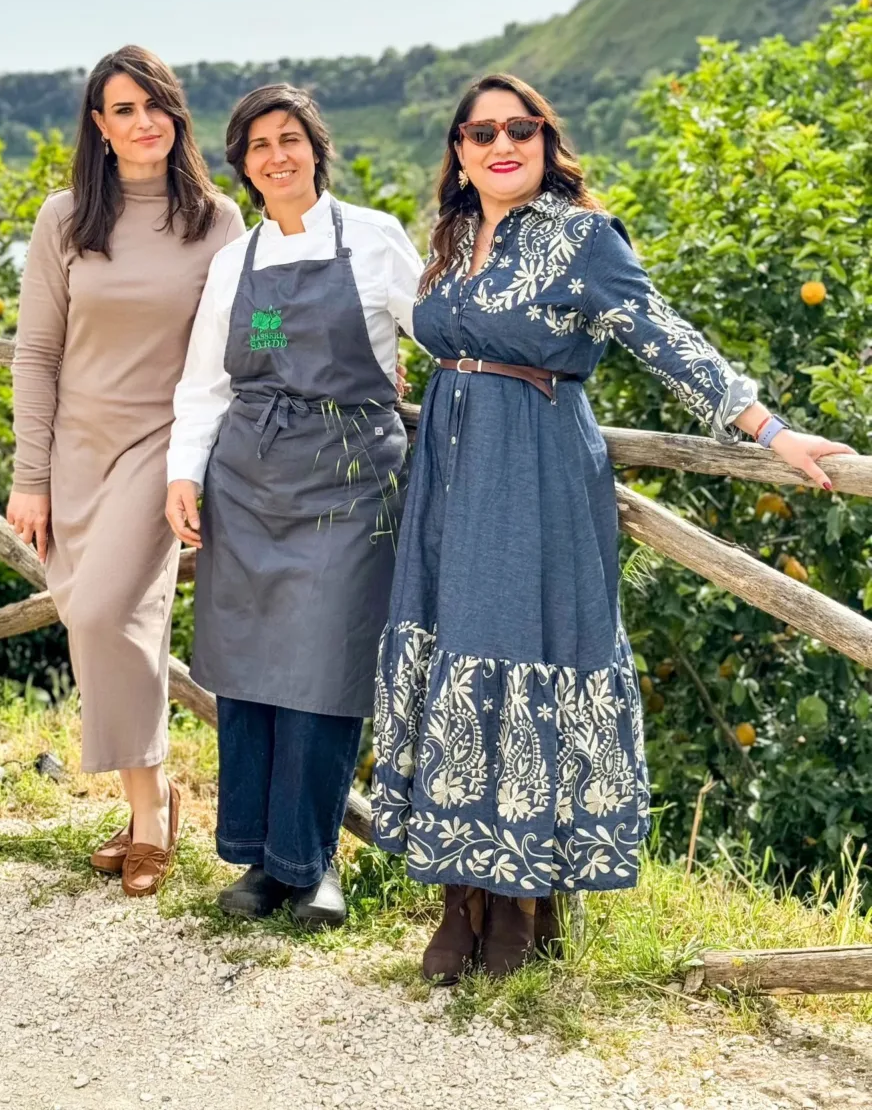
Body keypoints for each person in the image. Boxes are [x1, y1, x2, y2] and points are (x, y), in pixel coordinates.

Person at [371, 72, 855, 981]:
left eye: (519, 129)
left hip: (536, 466)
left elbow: (664, 336)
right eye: (479, 134)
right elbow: (424, 336)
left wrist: (767, 428)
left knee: (522, 646)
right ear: (459, 154)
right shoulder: (448, 238)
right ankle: (458, 893)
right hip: (448, 465)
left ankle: (524, 898)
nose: (499, 144)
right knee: (447, 648)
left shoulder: (583, 237)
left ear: (547, 142)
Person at [165, 84, 422, 927]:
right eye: (257, 147)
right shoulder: (236, 262)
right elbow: (207, 384)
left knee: (324, 672)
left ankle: (314, 866)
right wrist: (183, 476)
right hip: (250, 479)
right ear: (240, 166)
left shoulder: (377, 239)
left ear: (316, 147)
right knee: (248, 671)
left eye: (290, 140)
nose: (277, 157)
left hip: (350, 483)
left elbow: (442, 338)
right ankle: (261, 864)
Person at [7, 46, 245, 898]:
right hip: (73, 452)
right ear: (100, 129)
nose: (143, 123)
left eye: (156, 106)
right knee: (95, 622)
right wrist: (29, 474)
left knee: (109, 610)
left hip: (163, 446)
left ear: (175, 117)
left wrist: (354, 357)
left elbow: (260, 328)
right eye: (123, 110)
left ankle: (149, 816)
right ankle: (156, 795)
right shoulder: (65, 219)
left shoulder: (216, 221)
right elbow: (36, 354)